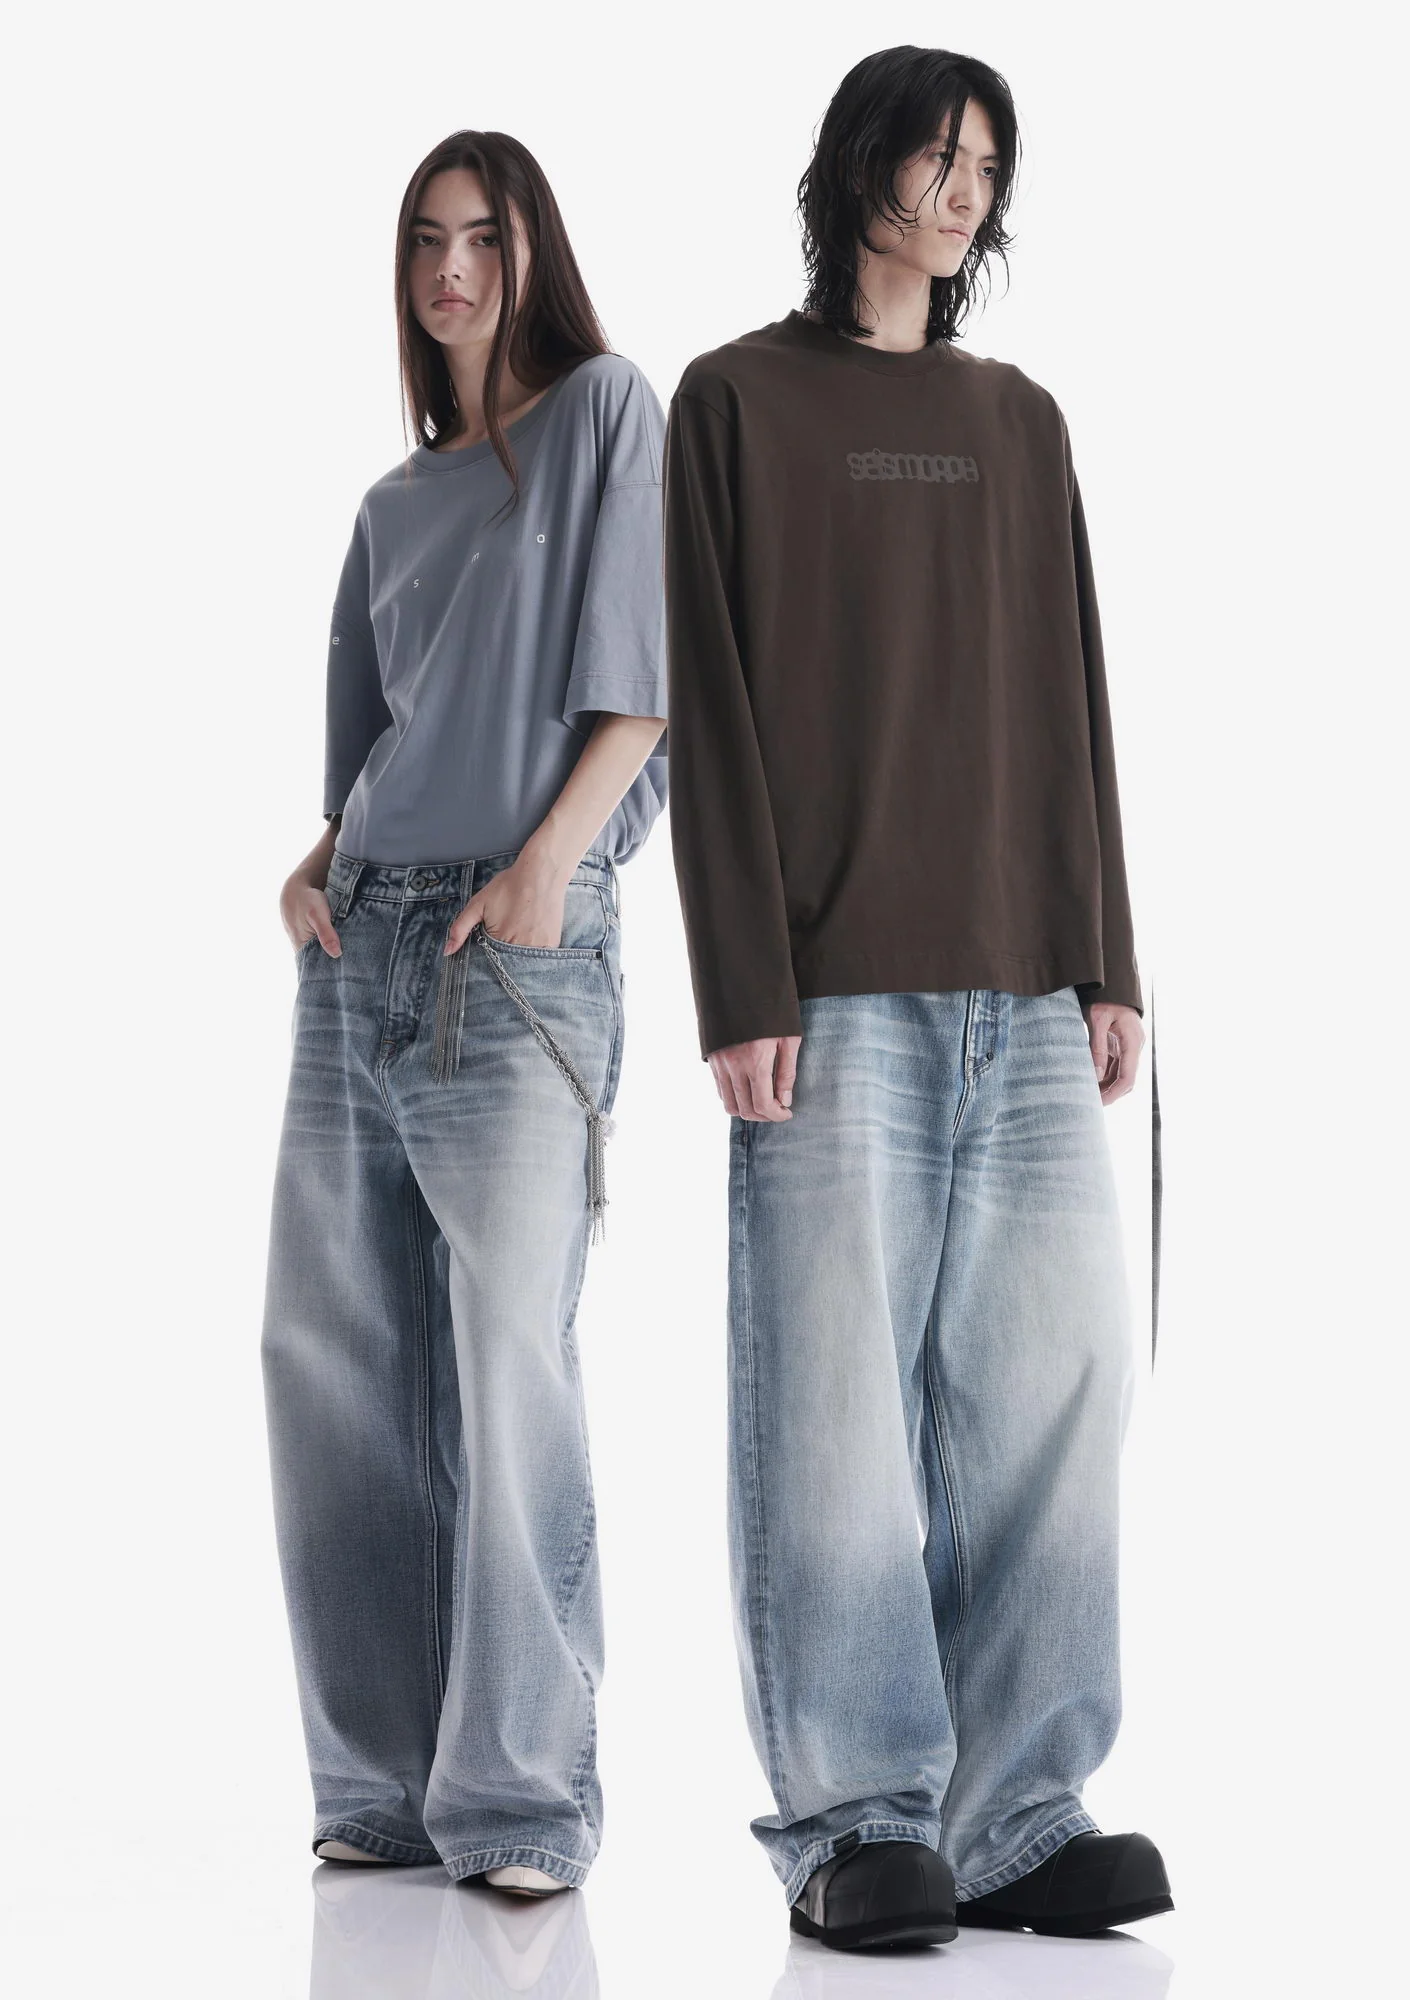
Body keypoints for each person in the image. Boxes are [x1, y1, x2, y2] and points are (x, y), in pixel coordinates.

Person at [663, 47, 1172, 1951]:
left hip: (1022, 991)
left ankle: (1018, 1813)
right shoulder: (732, 403)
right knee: (832, 1416)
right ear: (854, 166)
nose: (960, 191)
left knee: (1053, 1393)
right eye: (933, 155)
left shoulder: (1019, 422)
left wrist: (1104, 955)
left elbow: (1071, 694)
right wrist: (743, 979)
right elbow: (705, 706)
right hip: (830, 991)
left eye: (985, 167)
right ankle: (855, 1821)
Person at [260, 130, 668, 1897]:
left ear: (530, 252)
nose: (450, 270)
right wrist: (315, 869)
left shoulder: (606, 416)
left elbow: (642, 688)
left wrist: (546, 867)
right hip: (363, 939)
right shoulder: (391, 506)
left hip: (517, 943)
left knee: (509, 1363)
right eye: (426, 240)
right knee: (335, 1357)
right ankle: (377, 1783)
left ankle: (515, 1799)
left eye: (482, 238)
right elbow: (375, 753)